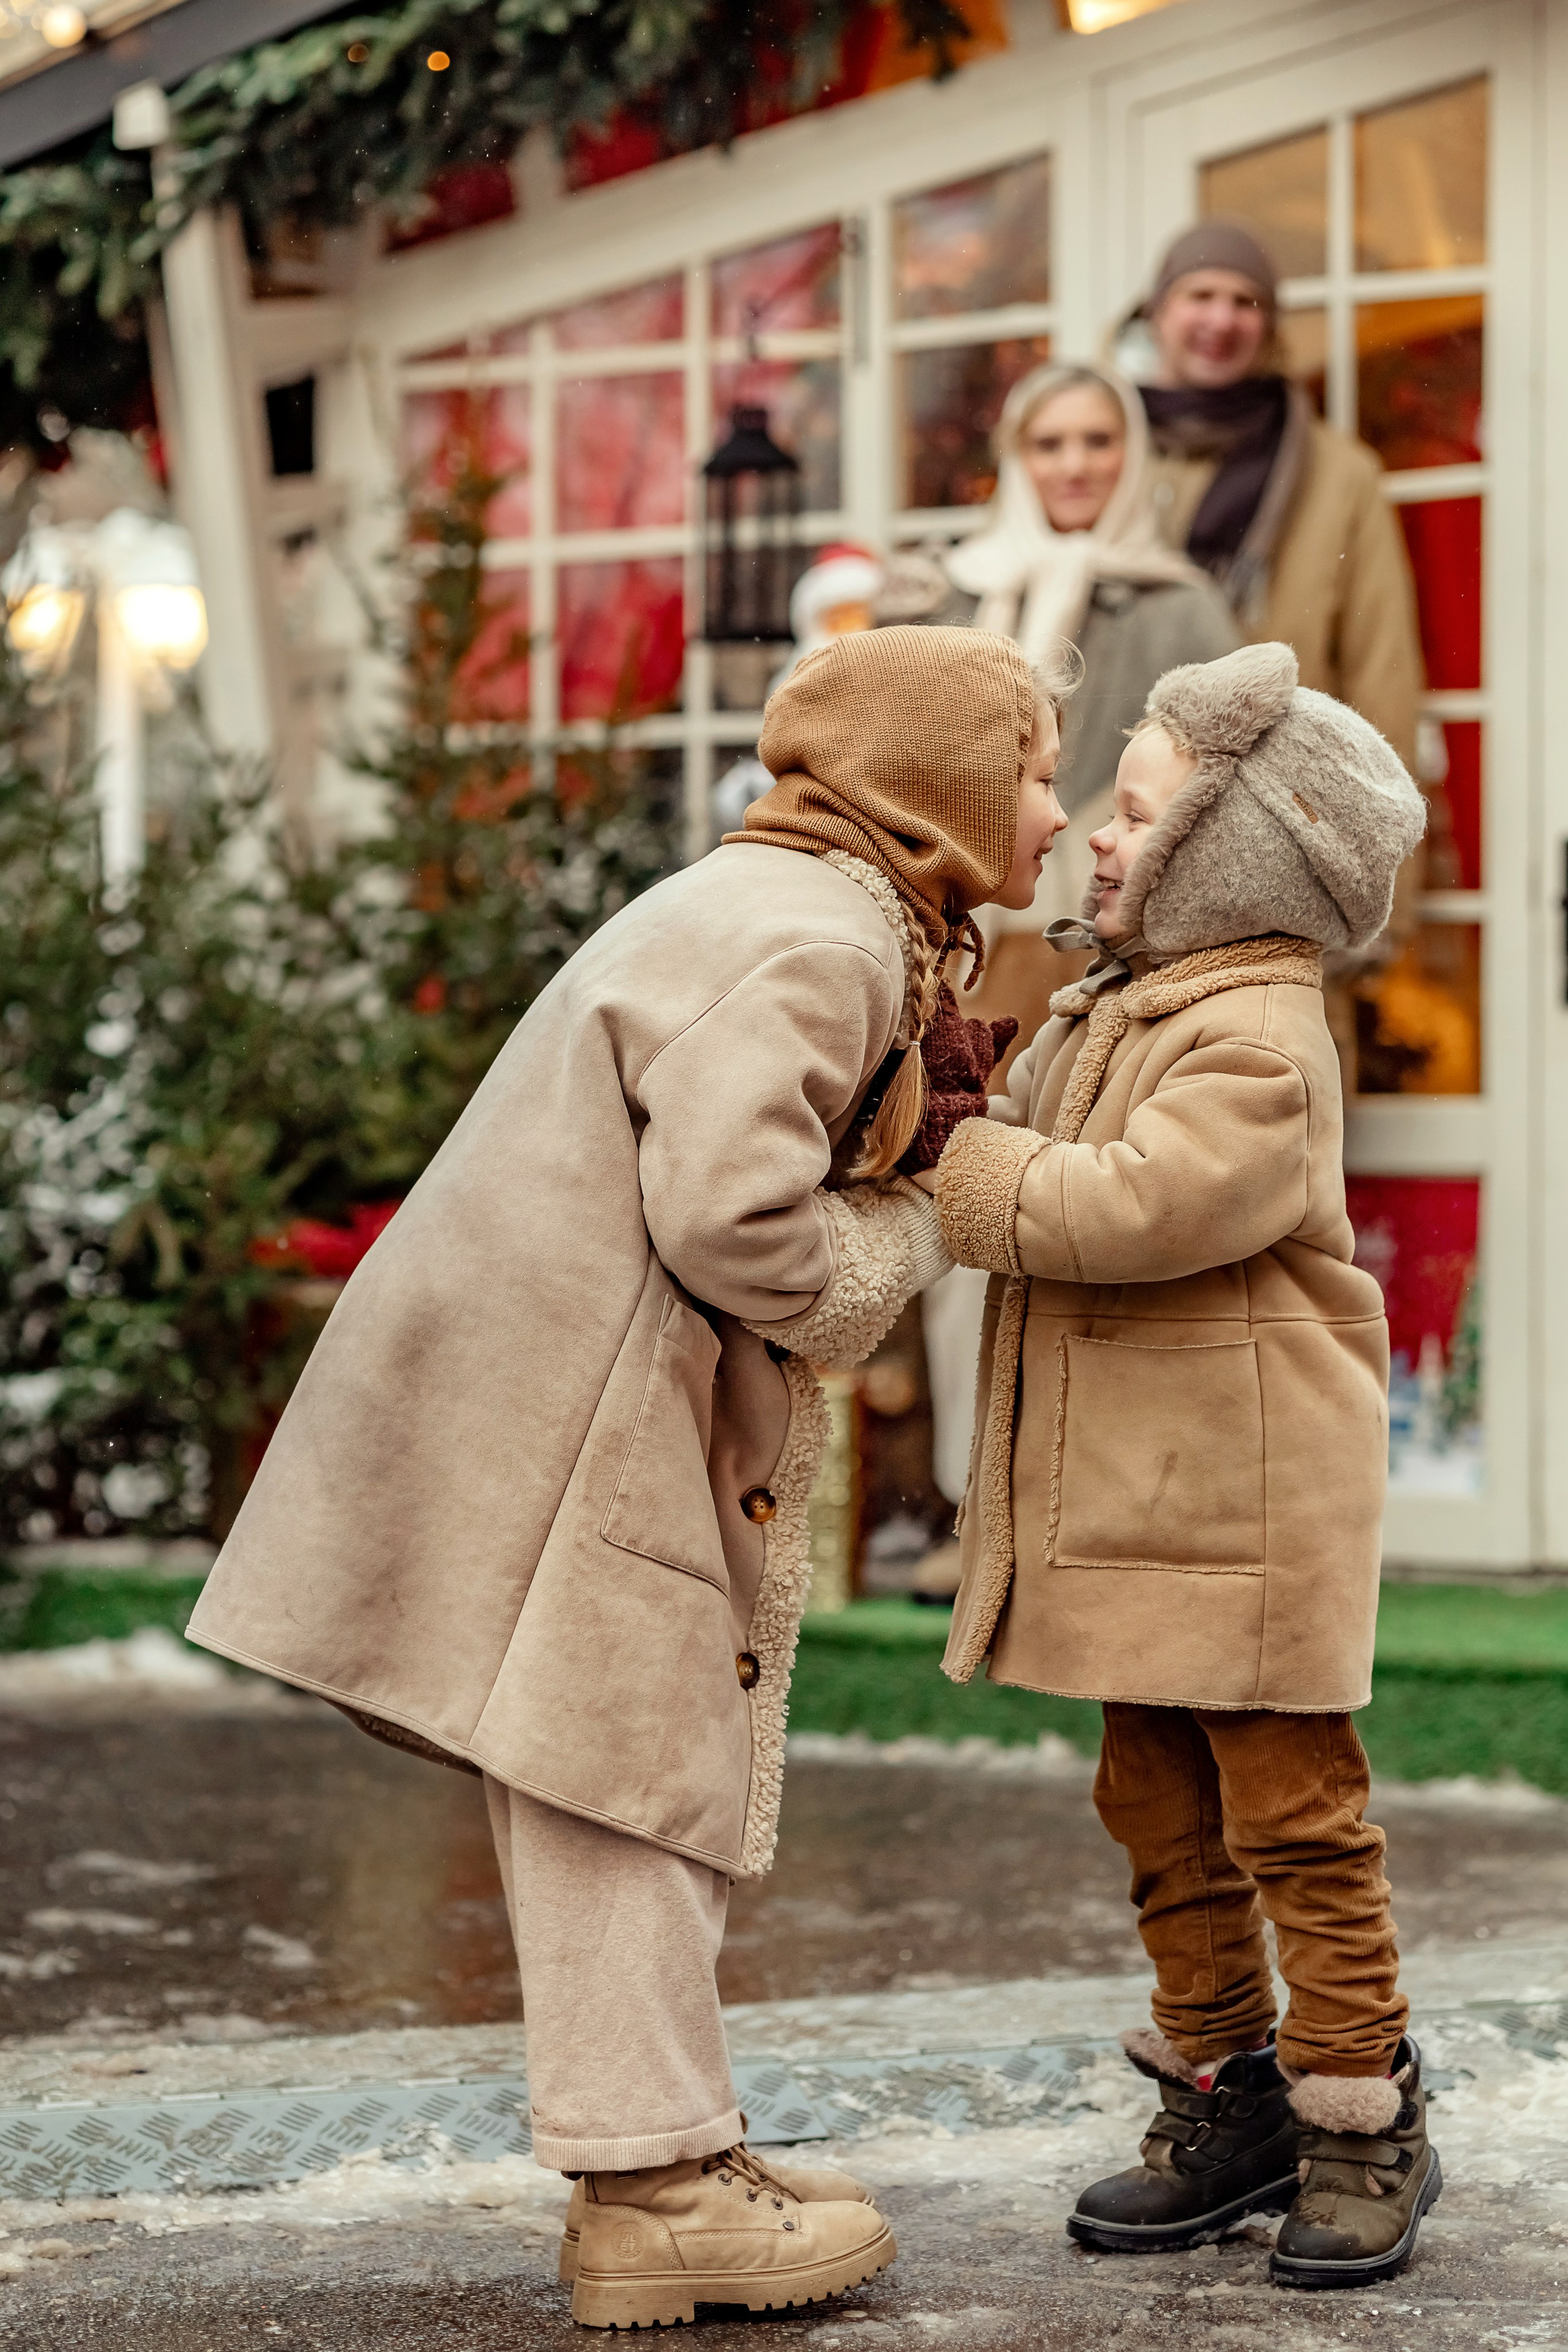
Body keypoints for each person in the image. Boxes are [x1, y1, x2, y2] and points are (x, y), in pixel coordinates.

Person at [186, 622, 1069, 2331]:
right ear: (938, 791)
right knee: (627, 1768)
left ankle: (671, 2150)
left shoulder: (795, 907)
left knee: (619, 1754)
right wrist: (909, 1222)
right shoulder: (822, 940)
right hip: (577, 1400)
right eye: (1031, 771)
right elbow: (734, 1220)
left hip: (555, 1378)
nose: (1051, 809)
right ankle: (655, 2190)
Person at [927, 641, 1441, 2290]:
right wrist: (968, 1084)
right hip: (1151, 1507)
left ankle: (1364, 2116)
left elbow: (1137, 1205)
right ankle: (1231, 2094)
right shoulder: (1122, 1001)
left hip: (1249, 1499)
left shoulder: (1264, 1036)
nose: (1094, 832)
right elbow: (1055, 1136)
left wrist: (969, 1165)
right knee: (1158, 1807)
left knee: (1295, 1815)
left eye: (1137, 814)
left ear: (1225, 861)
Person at [916, 363, 1237, 1583]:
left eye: (1097, 440)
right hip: (966, 959)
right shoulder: (955, 592)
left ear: (1130, 453)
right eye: (1047, 440)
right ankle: (966, 1509)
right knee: (959, 1217)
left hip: (1105, 964)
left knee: (1072, 1221)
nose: (1073, 464)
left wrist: (1075, 851)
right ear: (1014, 452)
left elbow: (1206, 795)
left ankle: (1068, 1509)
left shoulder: (1182, 609)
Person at [1135, 221, 1422, 769]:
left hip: (1284, 789)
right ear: (1158, 312)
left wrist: (1388, 822)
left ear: (1269, 325)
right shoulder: (1098, 451)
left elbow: (1381, 662)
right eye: (1201, 296)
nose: (1222, 320)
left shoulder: (1341, 473)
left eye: (1245, 301)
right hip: (1124, 789)